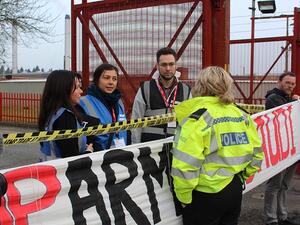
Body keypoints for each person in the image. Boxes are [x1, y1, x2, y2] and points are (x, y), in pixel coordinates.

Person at [171, 66, 263, 225]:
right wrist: (240, 178)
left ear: (203, 87)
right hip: (234, 189)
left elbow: (185, 165)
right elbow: (257, 156)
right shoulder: (241, 115)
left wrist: (184, 198)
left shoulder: (198, 118)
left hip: (204, 195)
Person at [131, 47, 192, 143]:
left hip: (176, 148)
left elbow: (190, 124)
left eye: (171, 64)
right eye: (164, 65)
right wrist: (135, 148)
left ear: (176, 66)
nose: (168, 69)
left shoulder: (186, 90)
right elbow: (136, 122)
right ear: (157, 66)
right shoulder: (145, 88)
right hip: (150, 150)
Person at [264, 72, 299, 225]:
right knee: (274, 185)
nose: (290, 86)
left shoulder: (290, 99)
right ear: (279, 82)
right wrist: (294, 103)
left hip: (291, 148)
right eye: (287, 82)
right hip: (278, 150)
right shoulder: (273, 99)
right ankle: (271, 219)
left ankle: (282, 216)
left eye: (293, 83)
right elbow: (282, 118)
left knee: (284, 185)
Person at [39, 70, 98, 161]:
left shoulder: (51, 113)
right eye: (77, 87)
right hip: (63, 172)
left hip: (50, 169)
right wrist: (88, 151)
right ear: (64, 89)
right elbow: (72, 160)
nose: (81, 91)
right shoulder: (66, 117)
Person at [79, 63, 128, 151]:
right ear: (97, 80)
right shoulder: (84, 102)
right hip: (98, 158)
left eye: (114, 79)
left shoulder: (119, 102)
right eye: (106, 78)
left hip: (121, 155)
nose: (111, 82)